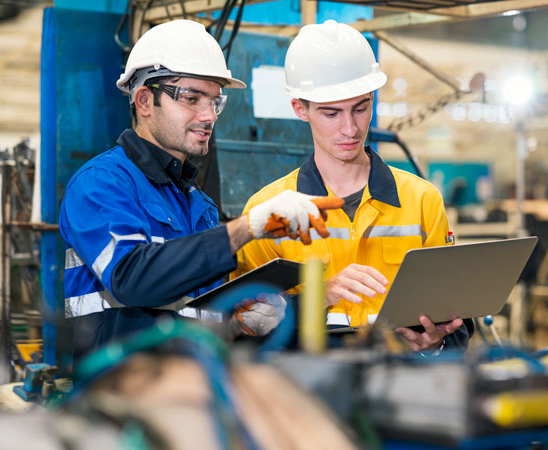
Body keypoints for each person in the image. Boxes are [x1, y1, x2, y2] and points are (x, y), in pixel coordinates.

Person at [58, 20, 340, 358]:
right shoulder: (100, 184)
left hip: (196, 389)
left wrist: (254, 317)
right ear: (145, 101)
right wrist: (245, 228)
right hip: (119, 394)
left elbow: (202, 314)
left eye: (215, 102)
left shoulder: (199, 206)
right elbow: (133, 279)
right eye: (192, 98)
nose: (209, 116)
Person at [235, 20, 472, 352]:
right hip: (307, 389)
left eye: (360, 109)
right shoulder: (267, 210)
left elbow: (458, 313)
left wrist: (435, 342)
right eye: (331, 114)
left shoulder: (422, 200)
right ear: (300, 109)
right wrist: (321, 295)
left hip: (401, 381)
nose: (350, 128)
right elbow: (247, 327)